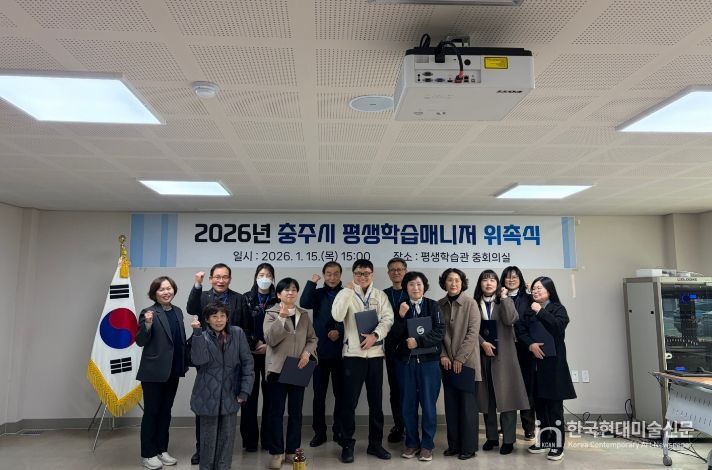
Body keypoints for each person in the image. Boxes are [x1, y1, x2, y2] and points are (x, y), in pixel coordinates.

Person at [187, 263, 251, 465]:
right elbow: (191, 308)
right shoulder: (203, 301)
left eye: (225, 277)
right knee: (207, 431)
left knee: (227, 436)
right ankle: (203, 455)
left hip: (231, 377)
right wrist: (197, 284)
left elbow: (247, 362)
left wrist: (244, 391)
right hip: (208, 373)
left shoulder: (238, 305)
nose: (219, 319)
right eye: (217, 276)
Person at [331, 259, 394, 463]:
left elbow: (388, 319)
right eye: (358, 273)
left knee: (376, 403)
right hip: (353, 356)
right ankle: (347, 444)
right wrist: (347, 292)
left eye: (366, 273)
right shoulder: (345, 293)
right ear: (353, 275)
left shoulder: (380, 295)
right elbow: (337, 316)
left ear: (372, 274)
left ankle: (375, 444)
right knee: (349, 403)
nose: (362, 277)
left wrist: (375, 335)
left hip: (375, 355)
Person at [517, 276, 576, 461]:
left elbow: (558, 327)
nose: (535, 291)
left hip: (553, 366)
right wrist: (530, 345)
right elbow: (520, 330)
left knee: (554, 408)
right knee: (539, 406)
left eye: (539, 288)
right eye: (534, 288)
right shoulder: (529, 310)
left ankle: (557, 445)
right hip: (535, 364)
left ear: (549, 291)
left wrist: (540, 311)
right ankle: (544, 440)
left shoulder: (558, 309)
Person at [389, 271, 444, 462]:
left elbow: (440, 331)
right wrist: (400, 317)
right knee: (408, 405)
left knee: (428, 405)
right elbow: (392, 336)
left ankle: (427, 445)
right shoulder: (400, 306)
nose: (415, 288)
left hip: (429, 363)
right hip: (406, 364)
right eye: (411, 284)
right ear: (406, 287)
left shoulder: (433, 305)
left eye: (419, 284)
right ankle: (411, 443)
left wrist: (419, 342)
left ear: (424, 286)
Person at [264, 278, 318, 469]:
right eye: (286, 290)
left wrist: (307, 353)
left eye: (294, 289)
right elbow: (271, 339)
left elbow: (312, 339)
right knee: (276, 413)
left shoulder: (303, 315)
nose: (290, 293)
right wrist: (281, 318)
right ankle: (276, 452)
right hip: (277, 369)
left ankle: (291, 451)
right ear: (278, 294)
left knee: (296, 413)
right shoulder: (271, 313)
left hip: (297, 368)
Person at [474, 269, 529, 456]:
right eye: (485, 280)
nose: (488, 283)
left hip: (505, 356)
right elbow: (470, 328)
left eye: (492, 280)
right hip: (483, 354)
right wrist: (482, 343)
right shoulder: (474, 303)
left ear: (498, 284)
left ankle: (509, 439)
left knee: (508, 397)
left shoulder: (504, 301)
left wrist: (505, 298)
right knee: (487, 398)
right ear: (480, 284)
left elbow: (511, 319)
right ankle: (491, 437)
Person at [136, 276, 187, 470]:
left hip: (173, 370)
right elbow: (140, 341)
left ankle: (161, 449)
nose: (166, 292)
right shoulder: (148, 312)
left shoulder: (178, 311)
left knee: (166, 411)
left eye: (169, 288)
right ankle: (148, 453)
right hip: (153, 372)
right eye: (162, 289)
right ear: (154, 293)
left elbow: (179, 340)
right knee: (152, 412)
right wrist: (147, 324)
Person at [299, 261, 345, 447]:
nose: (332, 277)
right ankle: (319, 432)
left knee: (341, 395)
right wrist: (312, 283)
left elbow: (352, 318)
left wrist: (339, 331)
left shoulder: (347, 293)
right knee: (319, 395)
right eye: (329, 274)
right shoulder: (318, 294)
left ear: (340, 275)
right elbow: (304, 303)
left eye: (336, 274)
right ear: (324, 275)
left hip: (341, 352)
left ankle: (339, 430)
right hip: (319, 352)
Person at [438, 268, 481, 460]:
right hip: (447, 363)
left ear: (462, 283)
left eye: (457, 280)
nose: (453, 283)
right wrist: (443, 355)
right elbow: (436, 334)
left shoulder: (471, 303)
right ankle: (454, 445)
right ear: (444, 283)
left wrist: (460, 359)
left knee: (467, 407)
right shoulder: (439, 305)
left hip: (467, 363)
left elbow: (473, 333)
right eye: (450, 280)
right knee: (451, 406)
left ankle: (469, 448)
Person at [241, 263, 278, 452]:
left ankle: (268, 439)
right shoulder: (246, 298)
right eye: (261, 274)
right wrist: (254, 342)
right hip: (250, 354)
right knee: (249, 397)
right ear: (256, 277)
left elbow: (285, 327)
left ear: (273, 278)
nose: (265, 278)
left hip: (273, 354)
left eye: (268, 275)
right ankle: (249, 441)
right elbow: (240, 325)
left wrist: (269, 345)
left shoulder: (279, 298)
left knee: (271, 398)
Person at [501, 265, 536, 441]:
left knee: (526, 387)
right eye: (508, 277)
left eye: (515, 277)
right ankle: (506, 426)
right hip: (505, 348)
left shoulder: (528, 298)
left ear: (520, 279)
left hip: (524, 348)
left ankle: (529, 427)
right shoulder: (499, 297)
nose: (511, 280)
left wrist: (531, 291)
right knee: (506, 387)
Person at [382, 257, 408, 444]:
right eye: (393, 270)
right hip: (391, 348)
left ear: (405, 271)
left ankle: (410, 425)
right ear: (388, 273)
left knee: (411, 390)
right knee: (395, 390)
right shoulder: (383, 295)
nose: (396, 272)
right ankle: (399, 426)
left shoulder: (413, 290)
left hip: (410, 347)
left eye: (400, 269)